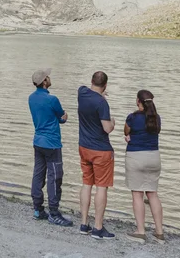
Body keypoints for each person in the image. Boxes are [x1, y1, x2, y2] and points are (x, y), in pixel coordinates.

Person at [28, 67, 73, 226]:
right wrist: (65, 117)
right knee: (55, 177)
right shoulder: (52, 99)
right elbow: (61, 117)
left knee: (38, 174)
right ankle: (54, 212)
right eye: (48, 76)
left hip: (38, 141)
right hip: (52, 143)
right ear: (44, 81)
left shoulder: (31, 98)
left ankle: (37, 209)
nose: (49, 78)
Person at [78, 71, 116, 240]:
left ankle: (84, 224)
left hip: (84, 147)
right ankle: (98, 227)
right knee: (101, 187)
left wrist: (100, 96)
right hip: (100, 150)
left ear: (91, 81)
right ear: (105, 86)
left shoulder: (81, 92)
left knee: (87, 184)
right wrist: (113, 122)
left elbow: (91, 94)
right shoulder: (102, 103)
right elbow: (107, 128)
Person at [124, 90, 164, 244]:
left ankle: (140, 232)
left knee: (137, 194)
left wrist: (128, 136)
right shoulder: (156, 118)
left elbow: (126, 131)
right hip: (154, 157)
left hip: (136, 157)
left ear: (138, 101)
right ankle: (159, 232)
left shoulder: (133, 117)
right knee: (152, 194)